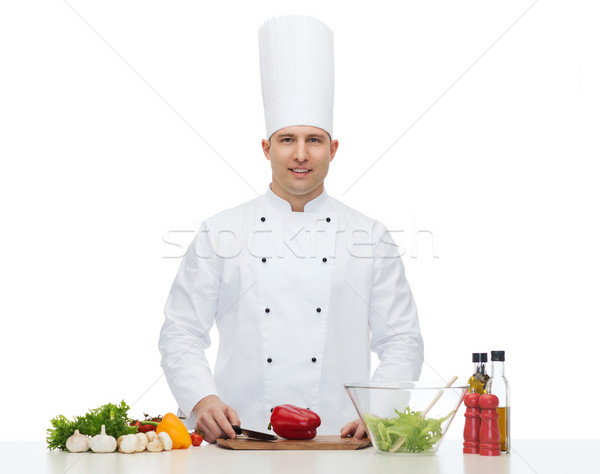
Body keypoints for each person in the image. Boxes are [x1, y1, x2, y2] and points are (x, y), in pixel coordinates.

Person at [158, 15, 424, 444]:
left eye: (314, 140)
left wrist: (380, 413)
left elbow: (403, 341)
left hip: (341, 443)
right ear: (266, 147)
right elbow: (181, 331)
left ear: (333, 149)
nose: (300, 155)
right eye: (286, 140)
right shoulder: (220, 232)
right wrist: (201, 400)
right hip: (240, 440)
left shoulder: (369, 237)